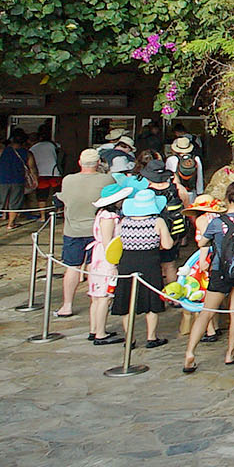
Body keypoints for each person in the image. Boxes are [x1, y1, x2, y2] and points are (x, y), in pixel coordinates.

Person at [182, 183, 234, 371]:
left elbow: (202, 242)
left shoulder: (217, 222)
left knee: (207, 312)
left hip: (220, 270)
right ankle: (230, 354)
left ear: (227, 198)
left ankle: (190, 352)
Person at [111, 183, 173, 348]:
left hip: (127, 261)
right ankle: (151, 337)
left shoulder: (124, 221)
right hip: (149, 262)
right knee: (151, 299)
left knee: (126, 299)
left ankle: (129, 338)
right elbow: (167, 244)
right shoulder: (157, 221)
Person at [55, 149, 112, 319]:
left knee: (72, 267)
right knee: (94, 266)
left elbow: (64, 199)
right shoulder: (107, 179)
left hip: (73, 230)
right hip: (97, 230)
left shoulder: (68, 180)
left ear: (80, 163)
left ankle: (67, 305)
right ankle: (96, 302)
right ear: (98, 163)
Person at [84, 180, 128, 346]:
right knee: (104, 297)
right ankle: (100, 334)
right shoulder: (109, 217)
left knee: (96, 297)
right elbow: (107, 242)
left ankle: (95, 329)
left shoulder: (102, 214)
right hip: (105, 258)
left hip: (98, 257)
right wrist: (113, 264)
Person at [0, 132, 33, 231]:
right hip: (18, 181)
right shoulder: (27, 153)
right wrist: (35, 179)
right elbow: (32, 168)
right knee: (15, 204)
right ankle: (10, 224)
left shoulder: (1, 151)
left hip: (3, 180)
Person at [29, 127, 63, 206]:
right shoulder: (55, 145)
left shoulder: (33, 148)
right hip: (54, 172)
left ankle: (42, 213)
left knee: (41, 197)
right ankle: (58, 210)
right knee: (57, 194)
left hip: (40, 173)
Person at [164, 134, 204, 199]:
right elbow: (199, 176)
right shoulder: (196, 159)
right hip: (191, 192)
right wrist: (199, 192)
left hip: (177, 192)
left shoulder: (171, 159)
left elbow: (168, 177)